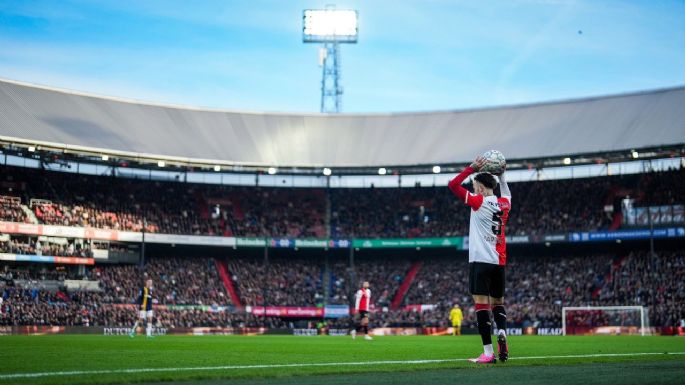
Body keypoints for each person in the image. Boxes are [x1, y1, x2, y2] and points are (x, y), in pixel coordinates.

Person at [448, 155, 511, 364]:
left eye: (475, 186)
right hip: (499, 262)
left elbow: (452, 185)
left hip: (480, 261)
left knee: (482, 306)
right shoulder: (504, 204)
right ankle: (501, 331)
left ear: (482, 188)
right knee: (498, 303)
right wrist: (502, 177)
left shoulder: (478, 202)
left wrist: (471, 168)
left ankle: (488, 352)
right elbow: (507, 193)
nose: (474, 190)